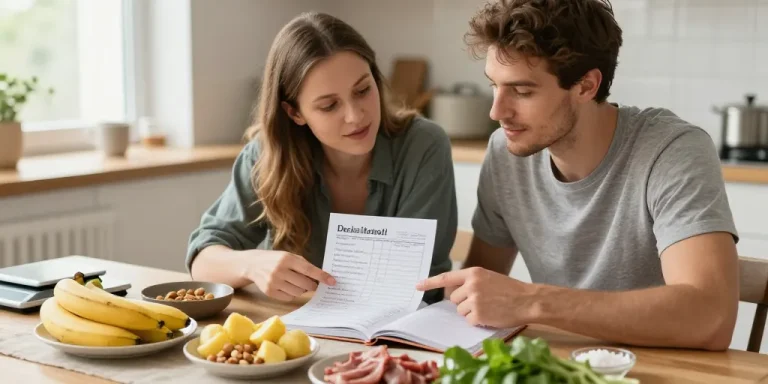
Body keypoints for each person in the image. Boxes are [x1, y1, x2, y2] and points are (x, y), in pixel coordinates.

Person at [416, 0, 740, 351]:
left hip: (660, 368)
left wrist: (532, 302)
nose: (497, 111)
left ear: (586, 86)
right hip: (560, 362)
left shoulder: (671, 150)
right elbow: (477, 293)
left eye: (522, 91)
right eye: (494, 85)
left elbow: (710, 318)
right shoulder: (506, 152)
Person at [187, 12, 457, 304]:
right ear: (295, 113)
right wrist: (251, 265)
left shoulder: (423, 146)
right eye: (329, 106)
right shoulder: (265, 155)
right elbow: (203, 259)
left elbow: (417, 283)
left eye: (363, 90)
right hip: (294, 331)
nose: (356, 116)